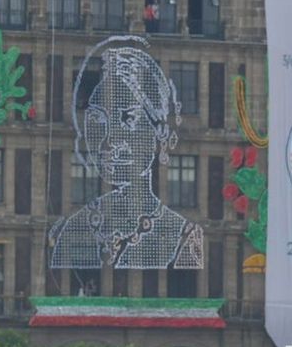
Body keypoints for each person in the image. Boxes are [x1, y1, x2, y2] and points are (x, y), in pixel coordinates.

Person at [48, 36, 204, 270]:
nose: (109, 142)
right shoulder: (74, 228)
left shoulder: (182, 236)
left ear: (159, 131)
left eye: (129, 118)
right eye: (97, 120)